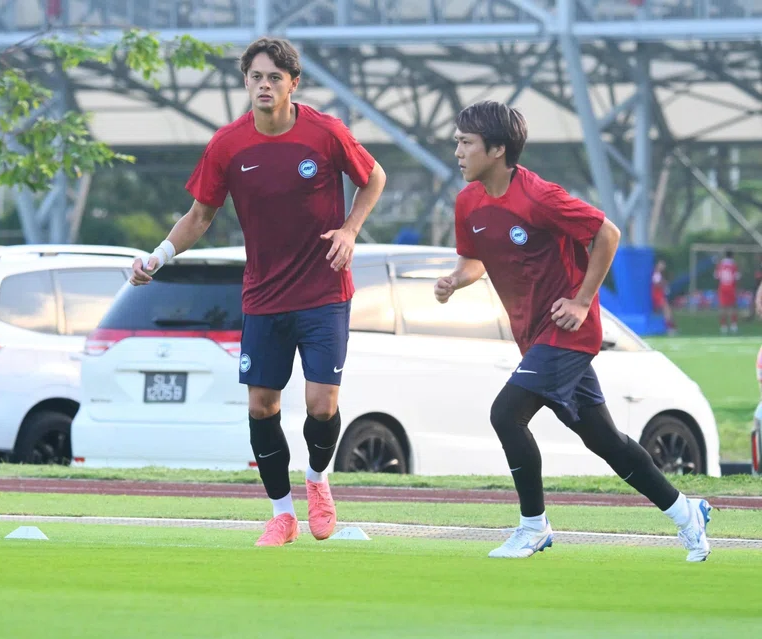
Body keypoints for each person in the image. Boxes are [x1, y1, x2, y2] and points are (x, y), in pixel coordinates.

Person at [128, 37, 386, 547]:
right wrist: (157, 256)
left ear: (293, 83)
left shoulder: (326, 132)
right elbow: (200, 215)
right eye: (255, 77)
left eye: (274, 77)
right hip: (264, 297)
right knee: (262, 406)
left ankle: (316, 482)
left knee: (321, 405)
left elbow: (373, 177)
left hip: (324, 290)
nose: (263, 86)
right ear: (245, 82)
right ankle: (280, 514)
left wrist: (351, 230)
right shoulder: (227, 144)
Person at [434, 100, 711, 562]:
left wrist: (583, 301)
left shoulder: (540, 196)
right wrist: (455, 280)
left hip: (567, 334)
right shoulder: (468, 201)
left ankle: (533, 526)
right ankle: (687, 512)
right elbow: (473, 261)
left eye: (466, 143)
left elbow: (608, 234)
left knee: (506, 414)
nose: (457, 151)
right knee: (604, 441)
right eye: (457, 142)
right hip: (535, 337)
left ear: (498, 150)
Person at [714, 250, 740, 333]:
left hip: (722, 288)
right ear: (732, 256)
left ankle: (723, 326)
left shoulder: (720, 265)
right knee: (732, 307)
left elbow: (716, 276)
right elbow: (737, 277)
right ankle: (733, 325)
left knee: (722, 307)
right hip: (731, 288)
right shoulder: (734, 265)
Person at [652, 259, 676, 335]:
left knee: (668, 311)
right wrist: (664, 283)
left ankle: (670, 327)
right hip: (657, 296)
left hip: (661, 296)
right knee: (667, 311)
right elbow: (656, 284)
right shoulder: (656, 273)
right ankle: (670, 328)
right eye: (661, 264)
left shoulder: (660, 274)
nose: (663, 266)